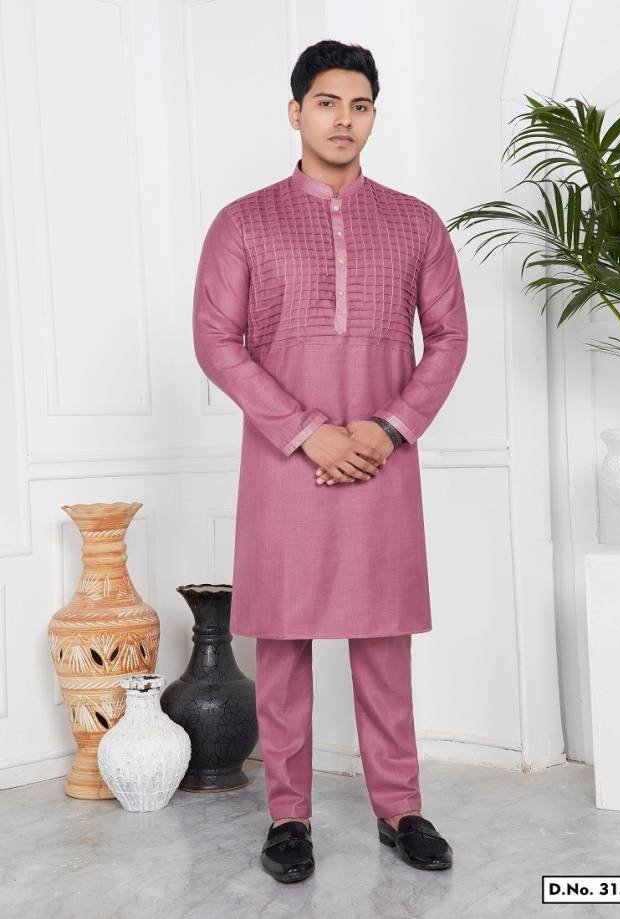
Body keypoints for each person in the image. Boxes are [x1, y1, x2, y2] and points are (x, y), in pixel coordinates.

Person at [192, 39, 468, 883]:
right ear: (295, 111)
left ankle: (400, 806)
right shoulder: (243, 221)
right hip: (286, 461)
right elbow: (215, 340)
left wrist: (390, 427)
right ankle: (289, 815)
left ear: (373, 116)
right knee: (283, 639)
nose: (343, 119)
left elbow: (448, 337)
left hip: (383, 458)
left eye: (358, 105)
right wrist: (307, 429)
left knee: (383, 637)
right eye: (326, 102)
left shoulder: (416, 222)